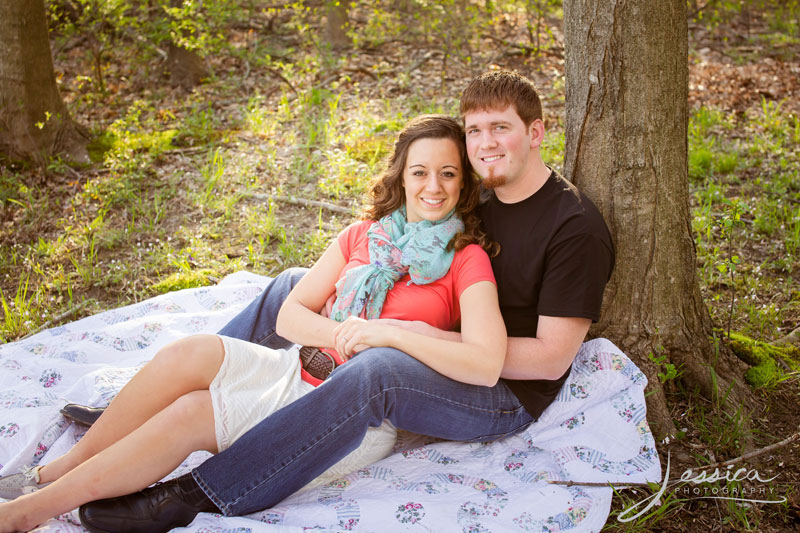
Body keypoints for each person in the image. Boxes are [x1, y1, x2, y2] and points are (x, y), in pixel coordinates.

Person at [0, 115, 508, 532]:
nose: (433, 186)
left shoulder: (466, 259)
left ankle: (27, 513)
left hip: (346, 415)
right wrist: (340, 333)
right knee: (191, 352)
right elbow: (291, 311)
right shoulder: (363, 235)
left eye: (447, 173)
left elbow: (486, 362)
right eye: (420, 172)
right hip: (294, 370)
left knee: (191, 415)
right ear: (401, 176)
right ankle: (53, 472)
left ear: (463, 183)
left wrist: (385, 335)